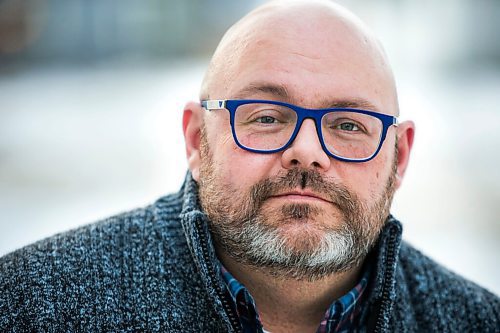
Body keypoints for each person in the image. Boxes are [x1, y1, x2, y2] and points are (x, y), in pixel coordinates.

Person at [1, 0, 498, 332]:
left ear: (400, 157)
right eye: (265, 117)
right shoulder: (31, 305)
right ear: (197, 139)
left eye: (349, 125)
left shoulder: (475, 321)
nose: (307, 151)